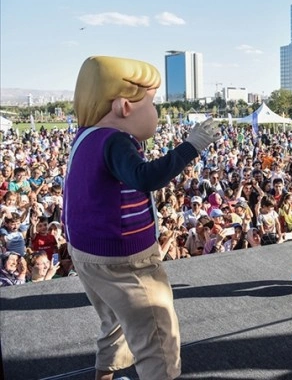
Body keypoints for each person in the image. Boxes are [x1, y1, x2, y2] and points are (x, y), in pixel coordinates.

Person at [63, 56, 220, 380]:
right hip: (124, 259)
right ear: (124, 106)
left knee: (116, 322)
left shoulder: (85, 136)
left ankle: (105, 375)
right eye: (151, 103)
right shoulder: (114, 140)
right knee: (157, 337)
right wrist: (192, 146)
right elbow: (145, 176)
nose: (157, 113)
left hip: (87, 254)